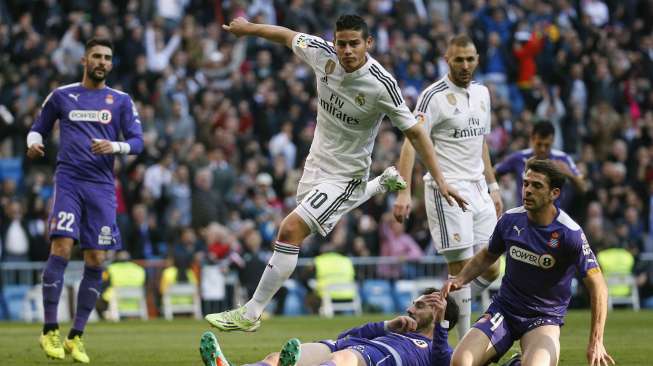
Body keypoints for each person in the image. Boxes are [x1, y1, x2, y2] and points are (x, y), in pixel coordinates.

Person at [205, 14, 466, 332]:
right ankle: (378, 184)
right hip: (316, 165)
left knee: (290, 230)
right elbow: (287, 35)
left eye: (354, 43)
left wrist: (439, 178)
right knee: (307, 226)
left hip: (346, 174)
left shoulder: (381, 83)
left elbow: (415, 132)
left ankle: (251, 312)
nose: (346, 50)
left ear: (368, 43)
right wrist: (248, 30)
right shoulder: (321, 52)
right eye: (341, 43)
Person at [26, 38, 143, 363]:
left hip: (102, 188)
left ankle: (75, 337)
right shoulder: (63, 95)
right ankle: (49, 328)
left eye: (107, 57)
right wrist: (34, 144)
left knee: (96, 259)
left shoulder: (120, 100)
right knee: (61, 247)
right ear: (84, 59)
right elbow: (38, 128)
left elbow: (137, 141)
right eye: (97, 56)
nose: (102, 62)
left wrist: (115, 147)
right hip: (69, 182)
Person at [441, 159, 614, 366]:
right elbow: (488, 254)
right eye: (526, 183)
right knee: (460, 362)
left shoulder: (570, 233)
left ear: (554, 194)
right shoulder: (509, 220)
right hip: (504, 310)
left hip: (543, 318)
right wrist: (461, 279)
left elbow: (599, 287)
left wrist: (596, 341)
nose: (528, 190)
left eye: (537, 185)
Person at [393, 34, 502, 341]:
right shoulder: (433, 96)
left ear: (478, 59)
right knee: (461, 271)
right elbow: (411, 142)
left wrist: (493, 185)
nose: (465, 65)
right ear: (447, 60)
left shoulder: (482, 94)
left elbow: (482, 142)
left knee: (492, 266)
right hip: (447, 192)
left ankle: (445, 304)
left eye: (470, 59)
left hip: (479, 188)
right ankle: (463, 350)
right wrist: (403, 192)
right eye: (458, 60)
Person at [199, 288, 459, 366]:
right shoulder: (397, 329)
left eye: (421, 306)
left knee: (343, 358)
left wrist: (441, 324)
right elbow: (345, 336)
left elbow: (443, 362)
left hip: (372, 359)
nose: (411, 309)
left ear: (441, 313)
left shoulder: (438, 347)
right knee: (278, 358)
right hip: (347, 347)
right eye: (414, 303)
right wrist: (384, 325)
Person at [494, 120, 587, 212]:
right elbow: (493, 172)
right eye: (539, 144)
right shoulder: (518, 158)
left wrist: (569, 174)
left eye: (547, 145)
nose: (542, 149)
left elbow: (583, 188)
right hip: (524, 217)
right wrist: (494, 190)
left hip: (553, 220)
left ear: (553, 141)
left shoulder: (563, 159)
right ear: (532, 139)